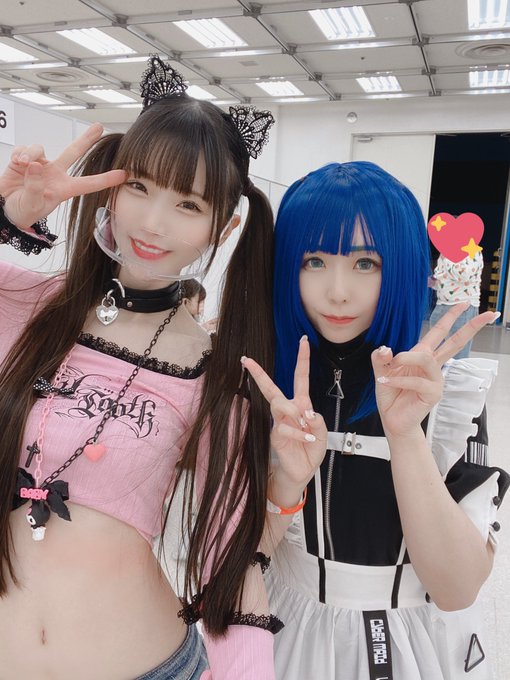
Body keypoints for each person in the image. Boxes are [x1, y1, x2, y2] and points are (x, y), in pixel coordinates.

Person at [0, 55, 288, 680]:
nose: (153, 224)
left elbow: (229, 553)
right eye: (140, 187)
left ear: (222, 227)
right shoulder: (29, 308)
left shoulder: (216, 373)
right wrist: (10, 214)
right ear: (111, 187)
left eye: (188, 204)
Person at [242, 162, 509, 680]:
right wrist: (286, 486)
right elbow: (227, 567)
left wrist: (406, 437)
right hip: (280, 629)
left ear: (403, 266)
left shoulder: (446, 393)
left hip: (410, 644)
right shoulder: (265, 383)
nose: (338, 292)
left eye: (365, 262)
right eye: (314, 261)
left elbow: (456, 590)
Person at [429, 250, 484, 359]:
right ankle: (439, 367)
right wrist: (431, 282)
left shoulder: (473, 251)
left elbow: (464, 275)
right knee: (434, 346)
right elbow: (443, 277)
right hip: (442, 304)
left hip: (463, 306)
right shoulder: (445, 252)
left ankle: (455, 369)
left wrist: (447, 257)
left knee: (458, 349)